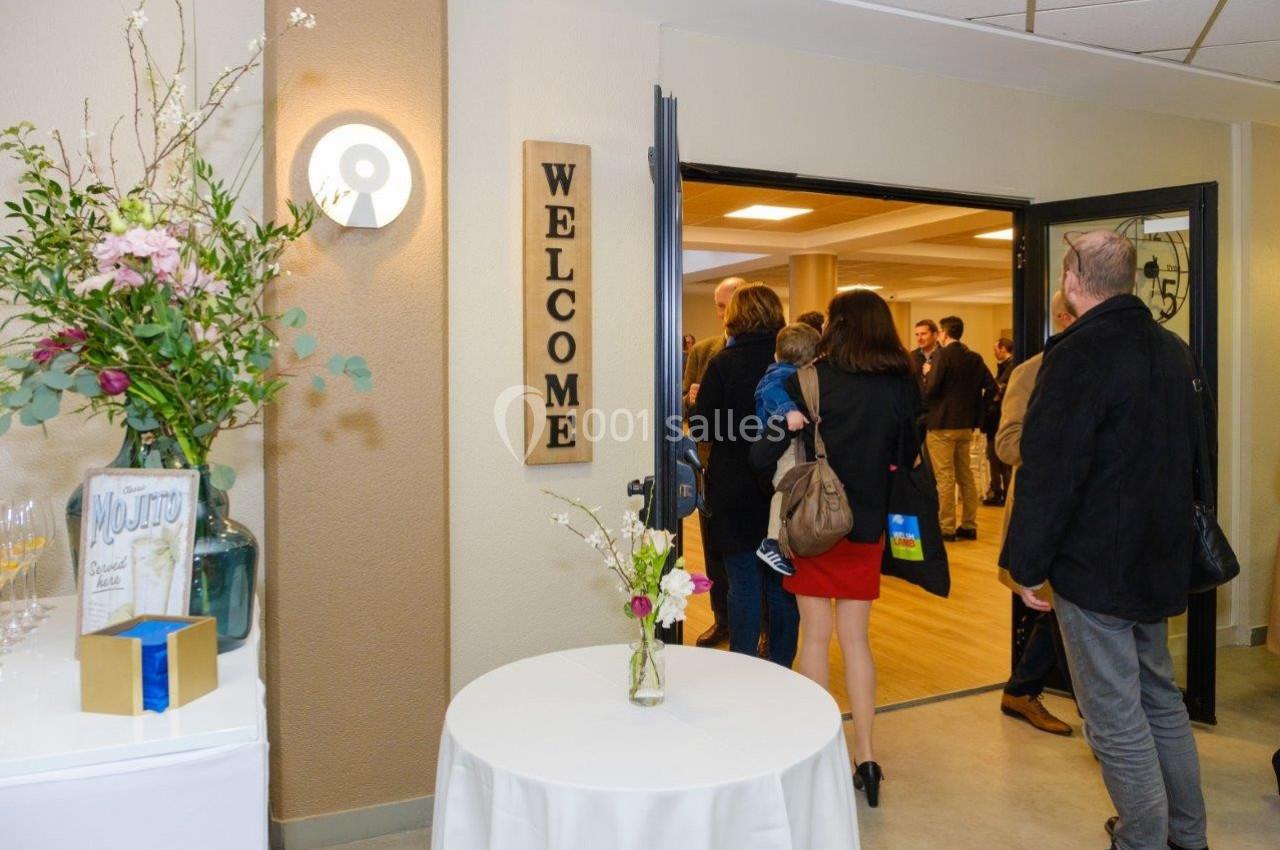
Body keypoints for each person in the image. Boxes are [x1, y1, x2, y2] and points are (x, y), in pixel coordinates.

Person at [1006, 230, 1208, 850]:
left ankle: (1141, 839)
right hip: (1159, 556)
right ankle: (1186, 837)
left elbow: (1051, 469)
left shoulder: (1078, 353)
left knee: (1114, 716)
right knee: (1161, 700)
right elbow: (1202, 455)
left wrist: (1025, 564)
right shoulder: (1173, 348)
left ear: (1071, 279)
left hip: (1096, 566)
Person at [755, 289, 922, 809]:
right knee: (856, 640)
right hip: (867, 526)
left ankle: (816, 753)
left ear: (839, 325)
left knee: (814, 636)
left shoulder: (810, 381)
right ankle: (867, 757)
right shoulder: (901, 386)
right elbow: (907, 458)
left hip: (814, 525)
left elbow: (764, 455)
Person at [691, 284, 799, 669]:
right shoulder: (794, 366)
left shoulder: (724, 363)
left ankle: (744, 668)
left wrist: (696, 403)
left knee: (743, 581)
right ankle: (782, 666)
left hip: (734, 485)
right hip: (784, 487)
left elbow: (703, 427)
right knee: (782, 583)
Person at [994, 295, 1076, 735]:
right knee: (1060, 609)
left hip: (1087, 518)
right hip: (1044, 514)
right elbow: (1006, 445)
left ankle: (1021, 689)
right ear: (1065, 319)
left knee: (1063, 611)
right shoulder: (1030, 373)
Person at [682, 277, 744, 647]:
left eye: (732, 305)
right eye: (720, 306)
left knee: (758, 555)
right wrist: (692, 400)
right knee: (714, 550)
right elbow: (686, 410)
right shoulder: (704, 351)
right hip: (711, 466)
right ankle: (723, 620)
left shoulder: (773, 351)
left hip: (756, 469)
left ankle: (760, 625)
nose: (726, 314)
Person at [753, 322, 820, 576]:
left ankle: (781, 537)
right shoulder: (779, 374)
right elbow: (770, 392)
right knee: (787, 484)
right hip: (780, 445)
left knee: (790, 486)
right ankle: (771, 542)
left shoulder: (788, 372)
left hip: (784, 442)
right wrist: (789, 410)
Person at [923, 316, 994, 541]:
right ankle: (969, 524)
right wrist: (977, 409)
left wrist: (926, 373)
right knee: (966, 475)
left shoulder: (942, 356)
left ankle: (946, 527)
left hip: (941, 424)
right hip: (966, 424)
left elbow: (932, 388)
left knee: (944, 477)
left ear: (944, 333)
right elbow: (991, 387)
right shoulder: (974, 357)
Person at [982, 337, 1016, 506]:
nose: (994, 352)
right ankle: (1000, 491)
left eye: (996, 348)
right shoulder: (1007, 367)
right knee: (997, 459)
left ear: (1003, 349)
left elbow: (998, 391)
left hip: (998, 420)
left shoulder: (1009, 368)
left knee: (998, 459)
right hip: (998, 420)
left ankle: (1000, 492)